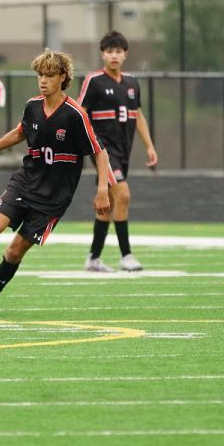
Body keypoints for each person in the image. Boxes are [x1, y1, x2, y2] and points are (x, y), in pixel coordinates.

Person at [0, 49, 112, 316]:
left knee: (15, 251)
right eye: (40, 74)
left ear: (63, 77)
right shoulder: (33, 106)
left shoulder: (75, 114)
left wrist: (102, 190)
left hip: (53, 197)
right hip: (25, 182)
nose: (43, 80)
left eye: (49, 75)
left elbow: (99, 150)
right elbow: (19, 132)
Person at [76, 30, 159, 273]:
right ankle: (126, 255)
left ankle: (93, 258)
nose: (114, 55)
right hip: (102, 151)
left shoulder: (132, 82)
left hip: (123, 150)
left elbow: (138, 115)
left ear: (125, 55)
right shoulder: (94, 80)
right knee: (123, 195)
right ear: (102, 54)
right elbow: (80, 113)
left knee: (109, 205)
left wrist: (150, 146)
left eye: (118, 51)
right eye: (109, 51)